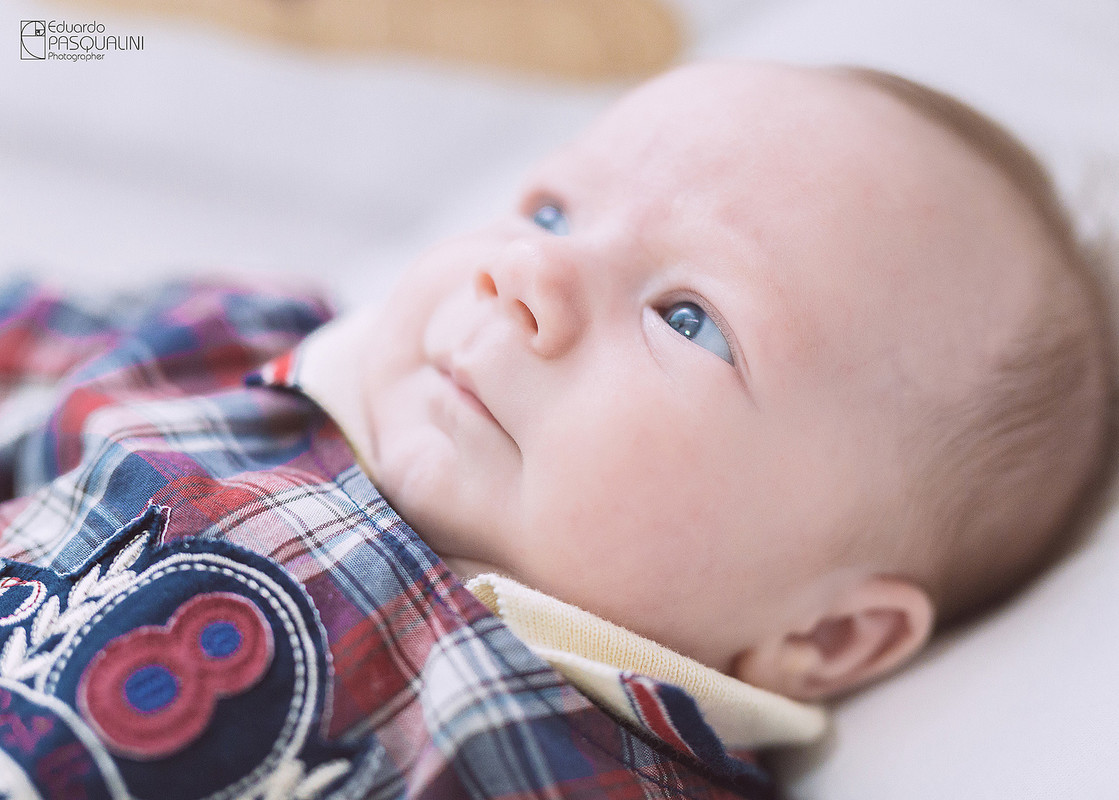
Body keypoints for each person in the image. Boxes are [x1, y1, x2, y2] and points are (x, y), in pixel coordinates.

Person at [0, 60, 1108, 799]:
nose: (523, 273)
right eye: (550, 211)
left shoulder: (586, 768)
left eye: (689, 318)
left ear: (825, 636)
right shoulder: (233, 350)